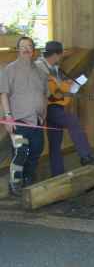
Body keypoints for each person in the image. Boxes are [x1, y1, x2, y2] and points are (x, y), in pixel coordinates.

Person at [35, 41, 94, 177]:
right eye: (60, 55)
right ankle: (85, 156)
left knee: (55, 142)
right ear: (55, 55)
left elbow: (57, 87)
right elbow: (47, 89)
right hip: (46, 107)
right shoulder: (40, 67)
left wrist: (67, 84)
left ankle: (57, 173)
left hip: (54, 106)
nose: (61, 58)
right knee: (73, 121)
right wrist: (64, 87)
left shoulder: (53, 67)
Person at [0, 36, 48, 195]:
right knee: (21, 151)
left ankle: (28, 179)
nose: (26, 49)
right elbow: (4, 94)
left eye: (29, 46)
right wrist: (8, 117)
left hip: (36, 122)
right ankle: (15, 183)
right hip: (19, 122)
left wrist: (44, 115)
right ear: (18, 49)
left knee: (36, 149)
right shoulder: (9, 70)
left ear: (33, 50)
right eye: (23, 46)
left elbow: (44, 95)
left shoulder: (41, 72)